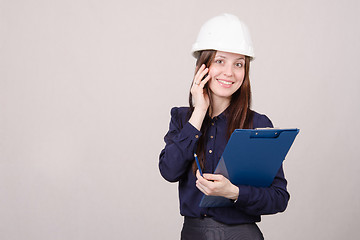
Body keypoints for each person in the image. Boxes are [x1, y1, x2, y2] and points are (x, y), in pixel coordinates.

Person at [159, 14, 289, 240]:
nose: (229, 72)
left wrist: (234, 193)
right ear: (203, 66)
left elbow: (279, 197)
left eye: (238, 64)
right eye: (220, 61)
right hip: (193, 233)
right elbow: (169, 171)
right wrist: (199, 113)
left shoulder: (257, 125)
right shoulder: (182, 119)